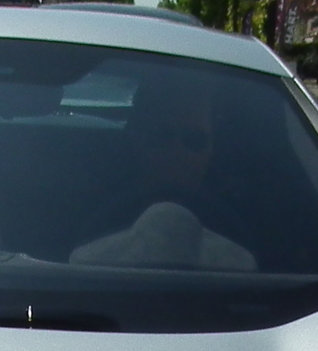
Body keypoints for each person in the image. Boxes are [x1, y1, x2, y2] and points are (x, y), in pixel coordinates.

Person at [69, 74, 256, 271]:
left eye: (194, 140)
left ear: (213, 150)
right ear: (135, 138)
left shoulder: (250, 217)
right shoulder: (82, 204)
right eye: (161, 136)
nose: (177, 152)